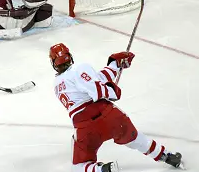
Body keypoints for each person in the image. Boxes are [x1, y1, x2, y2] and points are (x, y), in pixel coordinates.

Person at [50, 43, 183, 172]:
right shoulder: (79, 68)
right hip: (110, 116)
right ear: (69, 56)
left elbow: (96, 80)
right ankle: (168, 156)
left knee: (78, 167)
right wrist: (112, 91)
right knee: (136, 139)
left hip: (85, 127)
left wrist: (114, 64)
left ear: (54, 63)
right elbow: (98, 89)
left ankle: (103, 169)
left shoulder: (56, 85)